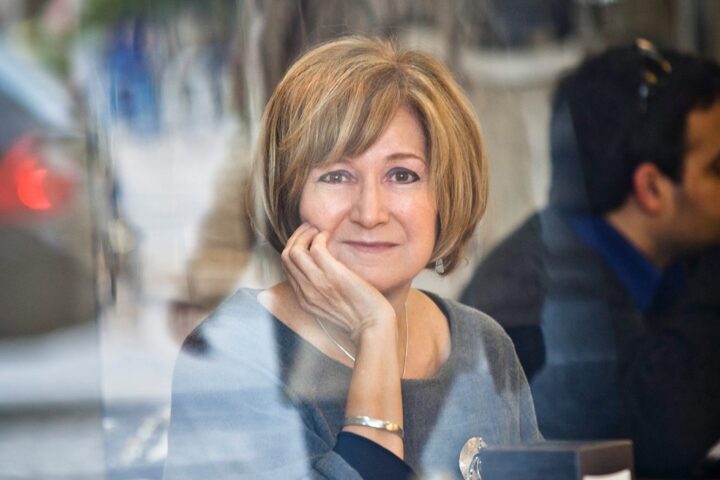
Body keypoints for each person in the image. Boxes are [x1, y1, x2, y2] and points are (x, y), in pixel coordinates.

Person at [163, 36, 540, 479]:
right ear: (290, 194)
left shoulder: (483, 346)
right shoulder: (232, 357)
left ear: (445, 194)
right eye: (337, 176)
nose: (370, 212)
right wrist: (375, 333)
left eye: (402, 175)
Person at [460, 40, 720, 478]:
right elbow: (649, 444)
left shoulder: (675, 260)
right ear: (651, 189)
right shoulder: (529, 306)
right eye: (718, 169)